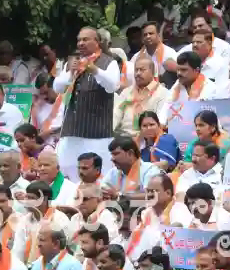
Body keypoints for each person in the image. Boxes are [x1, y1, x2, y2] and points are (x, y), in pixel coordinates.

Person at [54, 28, 121, 182]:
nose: (81, 43)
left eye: (85, 39)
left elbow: (112, 86)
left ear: (97, 42)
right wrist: (70, 73)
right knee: (66, 172)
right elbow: (57, 87)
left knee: (98, 175)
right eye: (79, 40)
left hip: (97, 133)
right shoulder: (72, 63)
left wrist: (95, 70)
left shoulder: (109, 62)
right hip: (71, 130)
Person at [113, 58, 169, 138]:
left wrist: (140, 138)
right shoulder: (127, 92)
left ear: (152, 73)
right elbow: (116, 114)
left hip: (148, 138)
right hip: (123, 138)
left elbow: (160, 122)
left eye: (142, 70)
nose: (138, 73)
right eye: (136, 70)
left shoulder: (162, 93)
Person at [30, 74, 65, 147]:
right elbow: (35, 135)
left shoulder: (66, 103)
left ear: (54, 87)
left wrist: (50, 132)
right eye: (41, 94)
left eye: (46, 93)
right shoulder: (37, 108)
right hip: (45, 150)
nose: (44, 97)